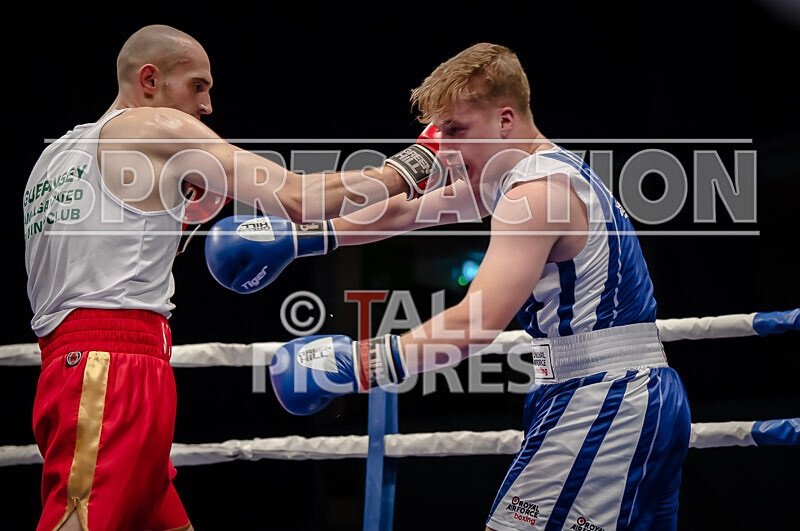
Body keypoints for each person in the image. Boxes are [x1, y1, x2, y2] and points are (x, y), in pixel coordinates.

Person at [217, 43, 691, 529]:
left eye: (457, 131)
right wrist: (299, 238)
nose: (444, 149)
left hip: (606, 399)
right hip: (617, 396)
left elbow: (477, 322)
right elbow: (402, 212)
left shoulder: (537, 193)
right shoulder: (523, 177)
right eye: (440, 133)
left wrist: (357, 365)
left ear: (505, 120)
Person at [23, 24, 442, 531]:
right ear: (150, 80)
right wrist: (415, 164)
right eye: (197, 86)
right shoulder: (153, 127)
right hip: (111, 369)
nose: (208, 105)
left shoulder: (57, 156)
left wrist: (188, 203)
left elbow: (112, 247)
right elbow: (297, 199)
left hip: (89, 363)